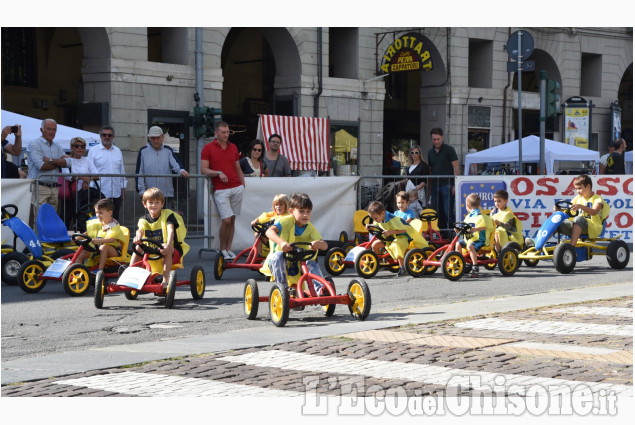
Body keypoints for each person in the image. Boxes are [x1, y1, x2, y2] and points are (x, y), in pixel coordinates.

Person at [262, 192, 327, 294]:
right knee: (278, 256)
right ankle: (283, 289)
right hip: (280, 261)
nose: (305, 215)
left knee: (312, 263)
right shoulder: (285, 221)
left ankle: (320, 289)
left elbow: (324, 245)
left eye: (308, 211)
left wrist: (319, 244)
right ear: (291, 211)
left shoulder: (310, 227)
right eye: (301, 211)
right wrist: (282, 243)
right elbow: (269, 232)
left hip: (299, 263)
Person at [200, 120, 246, 260]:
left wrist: (242, 184)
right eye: (223, 132)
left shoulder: (233, 147)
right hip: (221, 189)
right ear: (216, 133)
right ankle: (222, 250)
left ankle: (228, 249)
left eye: (227, 132)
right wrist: (218, 172)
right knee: (226, 220)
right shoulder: (208, 148)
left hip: (236, 187)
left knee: (231, 220)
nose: (226, 135)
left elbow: (237, 167)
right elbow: (203, 170)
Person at [130, 187, 189, 284]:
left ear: (162, 204)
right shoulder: (143, 219)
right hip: (152, 250)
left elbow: (171, 230)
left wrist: (168, 245)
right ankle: (131, 275)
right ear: (145, 204)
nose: (154, 205)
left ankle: (165, 281)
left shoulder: (168, 214)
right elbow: (140, 230)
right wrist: (138, 237)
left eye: (157, 202)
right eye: (150, 202)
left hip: (173, 249)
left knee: (166, 247)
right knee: (138, 247)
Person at [366, 200, 428, 277]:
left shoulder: (393, 219)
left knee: (396, 245)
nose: (374, 220)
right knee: (375, 245)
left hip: (402, 237)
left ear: (382, 213)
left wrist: (390, 232)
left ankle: (402, 267)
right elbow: (377, 226)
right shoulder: (379, 218)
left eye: (375, 218)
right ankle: (379, 263)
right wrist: (370, 226)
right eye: (373, 219)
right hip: (390, 238)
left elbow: (404, 230)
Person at [26, 119, 72, 220]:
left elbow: (69, 163)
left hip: (54, 187)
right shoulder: (34, 144)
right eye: (48, 129)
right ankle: (39, 236)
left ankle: (48, 236)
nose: (51, 132)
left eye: (54, 129)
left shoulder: (57, 146)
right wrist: (59, 163)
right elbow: (41, 166)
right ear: (41, 130)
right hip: (40, 186)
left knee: (51, 219)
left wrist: (50, 160)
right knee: (39, 219)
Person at [136, 126, 190, 210]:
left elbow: (176, 164)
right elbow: (140, 171)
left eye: (158, 138)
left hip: (166, 193)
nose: (156, 141)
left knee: (167, 219)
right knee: (152, 220)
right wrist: (141, 190)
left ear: (162, 137)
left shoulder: (168, 150)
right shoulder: (143, 151)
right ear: (149, 138)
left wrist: (181, 170)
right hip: (150, 193)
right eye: (153, 138)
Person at [555, 174, 610, 246]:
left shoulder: (597, 199)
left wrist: (581, 206)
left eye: (579, 188)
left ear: (588, 187)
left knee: (578, 219)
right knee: (555, 222)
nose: (578, 191)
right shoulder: (577, 198)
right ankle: (540, 247)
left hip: (592, 227)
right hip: (577, 225)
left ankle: (572, 247)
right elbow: (568, 212)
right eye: (576, 189)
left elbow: (594, 212)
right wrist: (558, 210)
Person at [87, 125, 127, 221]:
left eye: (109, 135)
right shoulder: (93, 151)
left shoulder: (118, 151)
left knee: (115, 218)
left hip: (116, 191)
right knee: (100, 219)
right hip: (99, 191)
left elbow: (122, 170)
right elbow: (89, 170)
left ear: (113, 137)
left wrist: (123, 189)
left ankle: (114, 236)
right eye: (104, 135)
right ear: (100, 136)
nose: (107, 137)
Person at [73, 198, 126, 271]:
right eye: (96, 212)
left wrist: (99, 241)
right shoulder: (98, 222)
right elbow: (89, 232)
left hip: (114, 250)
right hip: (98, 248)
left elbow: (112, 239)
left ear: (110, 213)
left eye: (100, 213)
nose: (97, 215)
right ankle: (76, 270)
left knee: (103, 247)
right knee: (83, 252)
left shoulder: (114, 225)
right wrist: (77, 238)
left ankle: (99, 270)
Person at [59, 137, 99, 230]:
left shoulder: (87, 160)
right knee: (66, 220)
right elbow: (67, 176)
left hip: (83, 196)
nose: (80, 148)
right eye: (77, 146)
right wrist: (82, 177)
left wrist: (88, 179)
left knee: (82, 221)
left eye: (82, 146)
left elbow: (97, 175)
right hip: (69, 195)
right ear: (71, 148)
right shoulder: (67, 160)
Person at [427, 128, 459, 237]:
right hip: (435, 186)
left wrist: (455, 184)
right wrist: (430, 189)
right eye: (434, 139)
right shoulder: (430, 152)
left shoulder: (449, 149)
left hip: (447, 185)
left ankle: (453, 235)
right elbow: (430, 170)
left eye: (438, 139)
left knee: (448, 212)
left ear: (442, 137)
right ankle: (443, 235)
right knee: (437, 212)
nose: (436, 141)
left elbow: (456, 167)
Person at [455, 193, 493, 278]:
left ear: (467, 205)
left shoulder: (481, 217)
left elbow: (486, 227)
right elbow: (465, 227)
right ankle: (460, 263)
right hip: (469, 239)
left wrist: (475, 229)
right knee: (458, 244)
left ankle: (475, 267)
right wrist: (459, 230)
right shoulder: (468, 217)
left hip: (479, 240)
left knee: (470, 247)